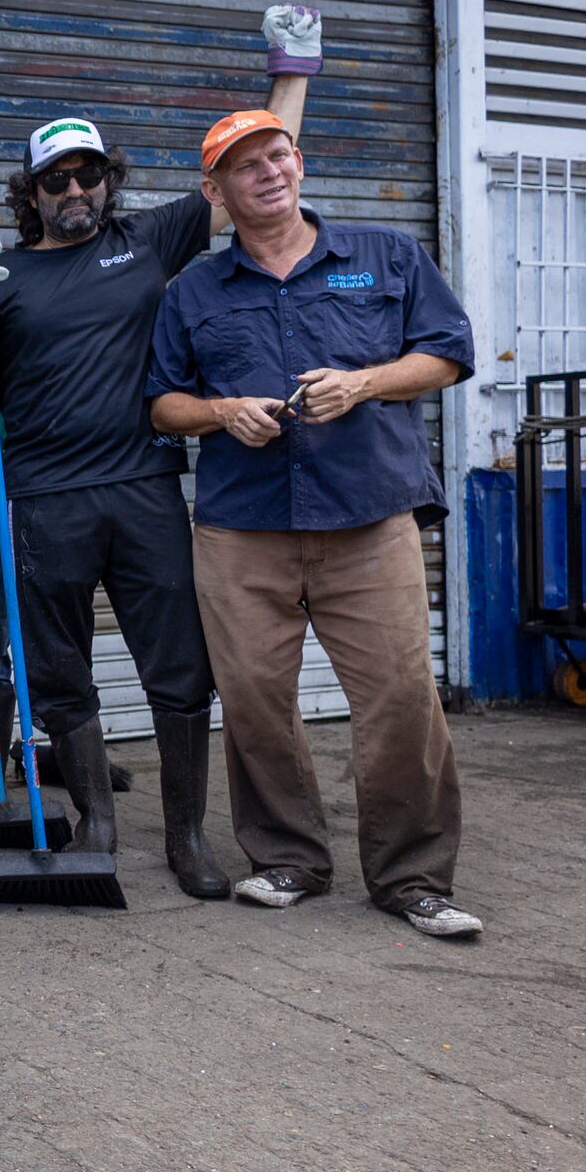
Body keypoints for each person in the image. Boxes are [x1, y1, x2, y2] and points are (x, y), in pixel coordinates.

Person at [0, 6, 322, 895]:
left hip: (147, 487)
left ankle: (187, 839)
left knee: (179, 668)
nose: (73, 190)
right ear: (31, 190)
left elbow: (252, 163)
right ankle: (98, 818)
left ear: (107, 179)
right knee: (58, 668)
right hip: (43, 499)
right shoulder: (5, 274)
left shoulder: (151, 240)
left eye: (87, 174)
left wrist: (293, 72)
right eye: (55, 180)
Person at [147, 108, 479, 940]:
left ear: (300, 163)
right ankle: (288, 858)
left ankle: (412, 878)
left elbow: (447, 352)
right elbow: (162, 403)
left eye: (278, 154)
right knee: (256, 700)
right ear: (214, 191)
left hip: (368, 518)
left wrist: (362, 383)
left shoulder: (385, 255)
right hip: (241, 529)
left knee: (402, 697)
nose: (268, 172)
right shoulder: (193, 290)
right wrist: (222, 412)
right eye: (245, 165)